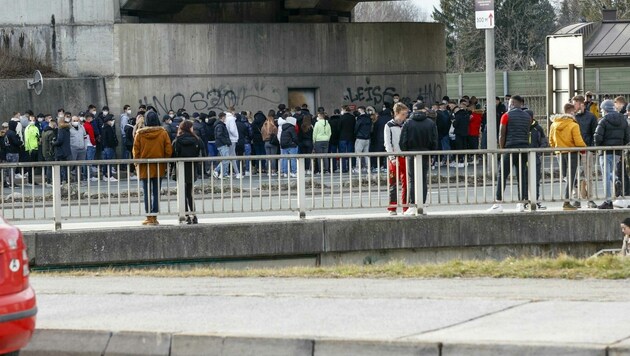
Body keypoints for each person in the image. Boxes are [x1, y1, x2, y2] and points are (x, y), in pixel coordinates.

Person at [488, 95, 532, 213]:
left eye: (509, 103)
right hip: (523, 149)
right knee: (521, 176)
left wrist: (502, 149)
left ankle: (498, 203)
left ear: (512, 104)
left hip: (509, 148)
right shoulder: (527, 117)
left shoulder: (506, 115)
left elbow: (501, 135)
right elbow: (527, 132)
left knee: (502, 175)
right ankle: (521, 203)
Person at [133, 111, 173, 226]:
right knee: (156, 192)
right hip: (159, 166)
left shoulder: (139, 134)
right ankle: (154, 216)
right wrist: (164, 161)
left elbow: (136, 151)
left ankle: (149, 216)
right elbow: (168, 150)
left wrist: (137, 163)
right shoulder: (163, 133)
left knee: (146, 192)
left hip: (145, 167)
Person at [399, 102, 438, 216]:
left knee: (412, 180)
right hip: (425, 153)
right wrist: (431, 153)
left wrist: (406, 151)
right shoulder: (430, 123)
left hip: (411, 154)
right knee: (423, 179)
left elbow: (402, 142)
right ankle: (423, 205)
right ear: (423, 110)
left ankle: (412, 205)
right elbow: (435, 141)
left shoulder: (408, 123)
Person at [549, 104, 587, 211]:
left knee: (565, 176)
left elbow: (551, 141)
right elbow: (578, 141)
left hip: (559, 152)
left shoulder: (554, 124)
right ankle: (566, 201)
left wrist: (556, 149)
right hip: (572, 153)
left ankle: (569, 197)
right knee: (571, 177)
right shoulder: (573, 125)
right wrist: (584, 149)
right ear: (571, 112)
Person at [594, 99, 630, 209]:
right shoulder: (623, 120)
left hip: (605, 152)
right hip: (617, 152)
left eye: (601, 109)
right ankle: (616, 179)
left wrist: (599, 146)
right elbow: (627, 136)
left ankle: (608, 200)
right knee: (612, 171)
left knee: (605, 175)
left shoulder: (603, 121)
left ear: (605, 109)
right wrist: (620, 145)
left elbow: (597, 136)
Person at [172, 121, 206, 225]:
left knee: (181, 193)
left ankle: (185, 215)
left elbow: (172, 155)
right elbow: (203, 154)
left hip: (180, 168)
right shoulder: (197, 139)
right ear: (190, 128)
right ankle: (193, 215)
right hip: (192, 168)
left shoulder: (177, 140)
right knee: (190, 193)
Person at [572, 95, 599, 209]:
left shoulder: (591, 117)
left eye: (575, 104)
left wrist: (592, 149)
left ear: (581, 104)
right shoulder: (572, 117)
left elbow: (595, 133)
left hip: (587, 149)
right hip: (573, 150)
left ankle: (590, 199)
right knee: (573, 175)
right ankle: (575, 198)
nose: (573, 106)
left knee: (588, 175)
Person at [385, 102, 409, 215]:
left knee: (406, 183)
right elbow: (387, 143)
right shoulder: (389, 125)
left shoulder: (406, 124)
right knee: (393, 183)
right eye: (403, 114)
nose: (405, 116)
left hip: (404, 156)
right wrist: (392, 158)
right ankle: (392, 208)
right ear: (397, 113)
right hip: (394, 157)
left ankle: (405, 207)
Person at [213, 112, 240, 179]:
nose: (226, 119)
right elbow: (220, 135)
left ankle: (222, 173)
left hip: (221, 144)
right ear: (222, 117)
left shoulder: (220, 125)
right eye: (225, 117)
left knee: (225, 158)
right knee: (226, 158)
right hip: (222, 144)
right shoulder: (220, 125)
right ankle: (219, 172)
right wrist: (227, 142)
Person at [53, 117, 72, 184]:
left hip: (61, 151)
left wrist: (54, 143)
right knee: (66, 167)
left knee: (61, 167)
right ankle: (66, 180)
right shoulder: (67, 129)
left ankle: (62, 180)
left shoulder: (60, 130)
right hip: (67, 150)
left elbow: (60, 140)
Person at [69, 116, 87, 182]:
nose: (75, 122)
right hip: (73, 148)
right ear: (71, 121)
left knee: (79, 165)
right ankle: (69, 179)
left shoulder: (82, 127)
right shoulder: (69, 128)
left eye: (77, 120)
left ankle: (78, 180)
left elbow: (85, 137)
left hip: (82, 149)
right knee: (71, 164)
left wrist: (85, 147)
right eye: (74, 120)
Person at [354, 106, 372, 173]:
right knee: (366, 154)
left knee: (358, 154)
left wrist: (355, 134)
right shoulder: (369, 118)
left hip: (360, 138)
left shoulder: (360, 119)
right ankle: (368, 168)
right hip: (367, 138)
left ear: (361, 110)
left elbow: (356, 128)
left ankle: (358, 168)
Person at [101, 116, 118, 182]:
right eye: (111, 120)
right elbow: (111, 138)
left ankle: (105, 175)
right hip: (109, 147)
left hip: (105, 147)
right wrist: (114, 144)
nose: (112, 121)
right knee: (109, 162)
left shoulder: (103, 128)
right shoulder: (109, 128)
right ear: (108, 121)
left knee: (105, 162)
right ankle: (109, 176)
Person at [339, 106, 356, 173]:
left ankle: (343, 168)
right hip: (351, 137)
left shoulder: (342, 118)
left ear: (344, 110)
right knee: (350, 153)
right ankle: (350, 167)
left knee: (342, 153)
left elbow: (339, 128)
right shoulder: (352, 118)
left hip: (342, 137)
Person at [41, 119, 57, 185]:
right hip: (49, 152)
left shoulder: (43, 132)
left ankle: (48, 180)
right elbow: (52, 143)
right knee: (50, 167)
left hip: (44, 151)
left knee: (48, 167)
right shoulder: (51, 132)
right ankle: (49, 181)